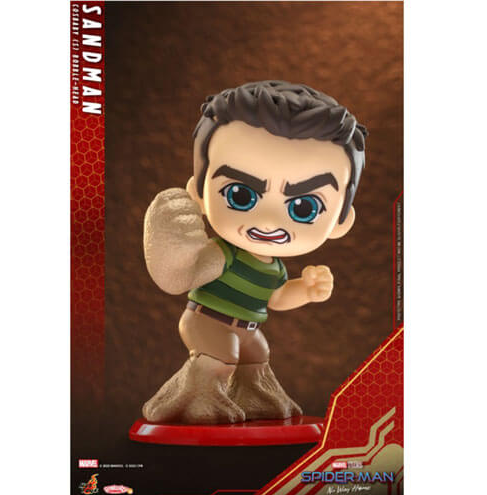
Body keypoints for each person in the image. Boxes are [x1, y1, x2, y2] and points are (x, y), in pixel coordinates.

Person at [142, 81, 367, 424]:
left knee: (258, 354)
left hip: (248, 326)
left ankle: (256, 395)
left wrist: (306, 290)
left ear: (341, 220)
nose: (269, 221)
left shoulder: (274, 267)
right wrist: (175, 250)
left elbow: (276, 297)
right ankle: (200, 397)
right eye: (241, 196)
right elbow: (189, 273)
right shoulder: (226, 254)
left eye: (303, 207)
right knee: (224, 355)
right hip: (208, 319)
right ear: (199, 194)